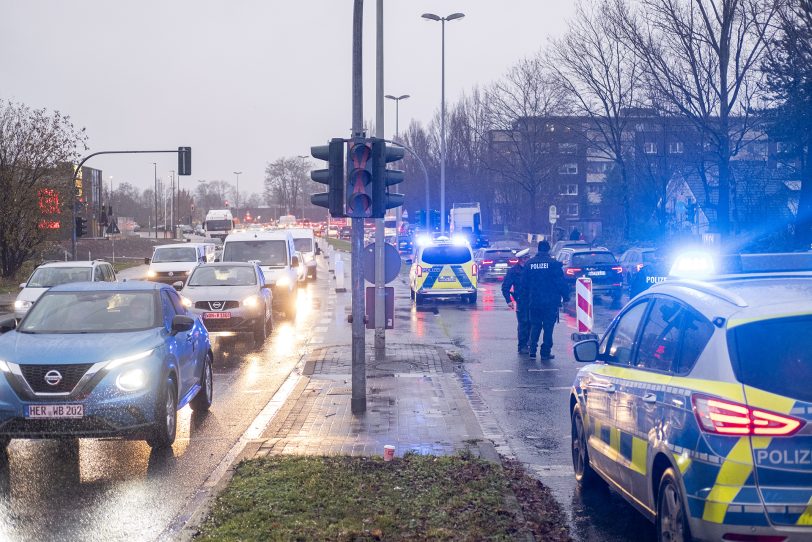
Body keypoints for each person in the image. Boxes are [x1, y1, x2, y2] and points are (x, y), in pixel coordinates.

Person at [521, 240, 570, 360]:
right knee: (548, 327)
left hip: (534, 302)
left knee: (535, 325)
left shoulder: (529, 264)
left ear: (538, 249)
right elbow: (561, 283)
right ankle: (545, 352)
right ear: (548, 250)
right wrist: (566, 296)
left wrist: (524, 300)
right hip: (550, 302)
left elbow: (523, 285)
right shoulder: (554, 264)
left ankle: (532, 350)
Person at [501, 248, 531, 354]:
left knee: (532, 324)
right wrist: (508, 300)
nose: (529, 259)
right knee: (523, 323)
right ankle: (522, 346)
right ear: (522, 259)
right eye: (527, 258)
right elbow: (505, 286)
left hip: (532, 300)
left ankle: (530, 344)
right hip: (521, 300)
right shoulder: (514, 271)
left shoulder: (531, 269)